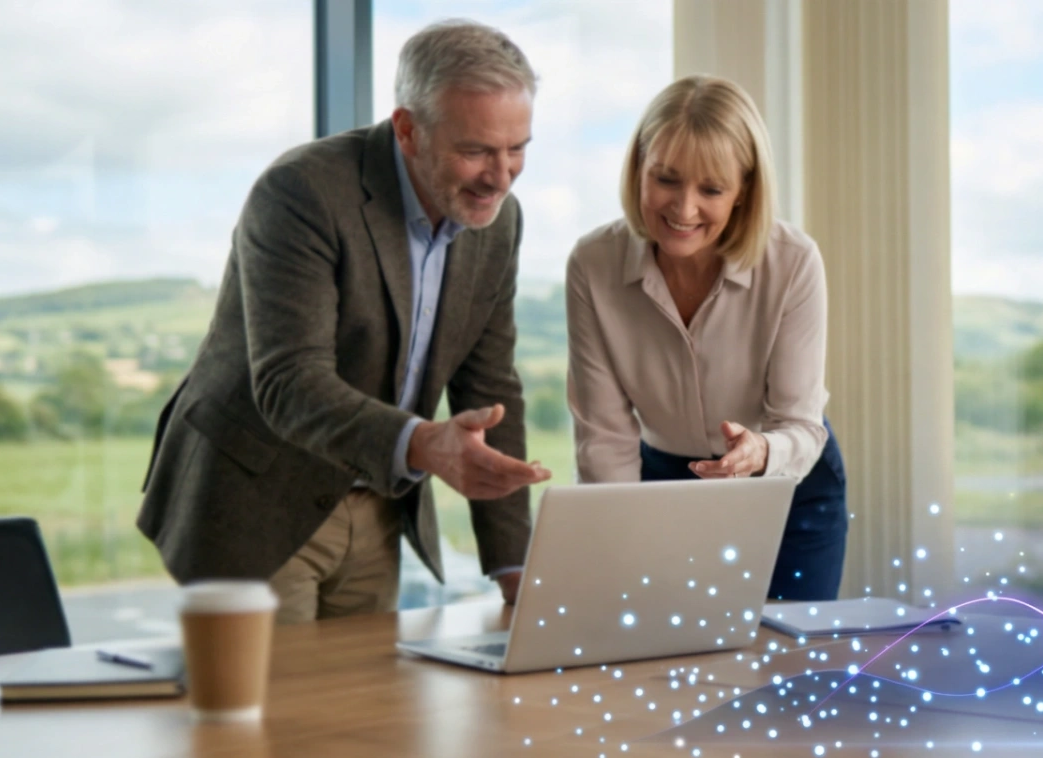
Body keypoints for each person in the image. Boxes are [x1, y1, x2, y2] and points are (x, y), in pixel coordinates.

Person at [136, 20, 551, 624]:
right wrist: (424, 443)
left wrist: (515, 567)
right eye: (475, 151)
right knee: (275, 713)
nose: (501, 175)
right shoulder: (302, 191)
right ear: (408, 129)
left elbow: (489, 386)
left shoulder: (499, 221)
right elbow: (290, 381)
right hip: (258, 496)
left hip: (377, 496)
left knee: (365, 709)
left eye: (517, 149)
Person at [565, 75, 846, 601]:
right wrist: (615, 552)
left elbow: (801, 427)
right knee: (661, 659)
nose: (684, 209)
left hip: (786, 486)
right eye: (666, 179)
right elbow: (605, 438)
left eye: (711, 189)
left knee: (786, 670)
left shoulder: (792, 261)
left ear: (743, 193)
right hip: (662, 483)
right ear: (638, 168)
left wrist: (760, 452)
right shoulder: (593, 263)